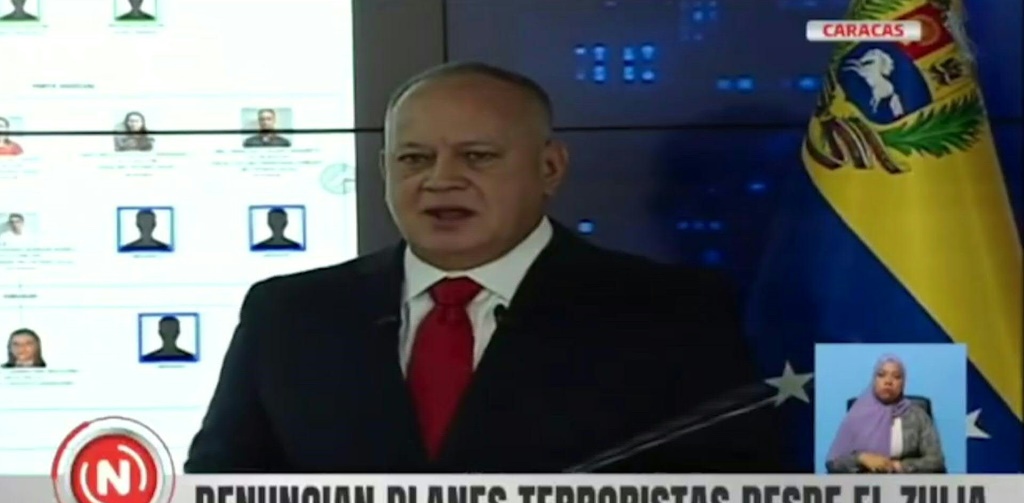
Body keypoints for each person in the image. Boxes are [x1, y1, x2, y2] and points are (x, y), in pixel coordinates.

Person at [186, 62, 784, 474]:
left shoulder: (670, 311)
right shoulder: (288, 313)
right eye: (414, 158)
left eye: (476, 156)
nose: (440, 179)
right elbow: (219, 498)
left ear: (550, 168)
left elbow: (727, 501)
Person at [825, 355, 946, 474]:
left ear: (903, 383)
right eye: (881, 375)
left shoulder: (918, 416)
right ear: (874, 380)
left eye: (896, 377)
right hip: (864, 482)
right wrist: (861, 459)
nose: (888, 381)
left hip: (905, 482)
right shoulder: (857, 414)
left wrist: (898, 466)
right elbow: (833, 463)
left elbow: (936, 460)